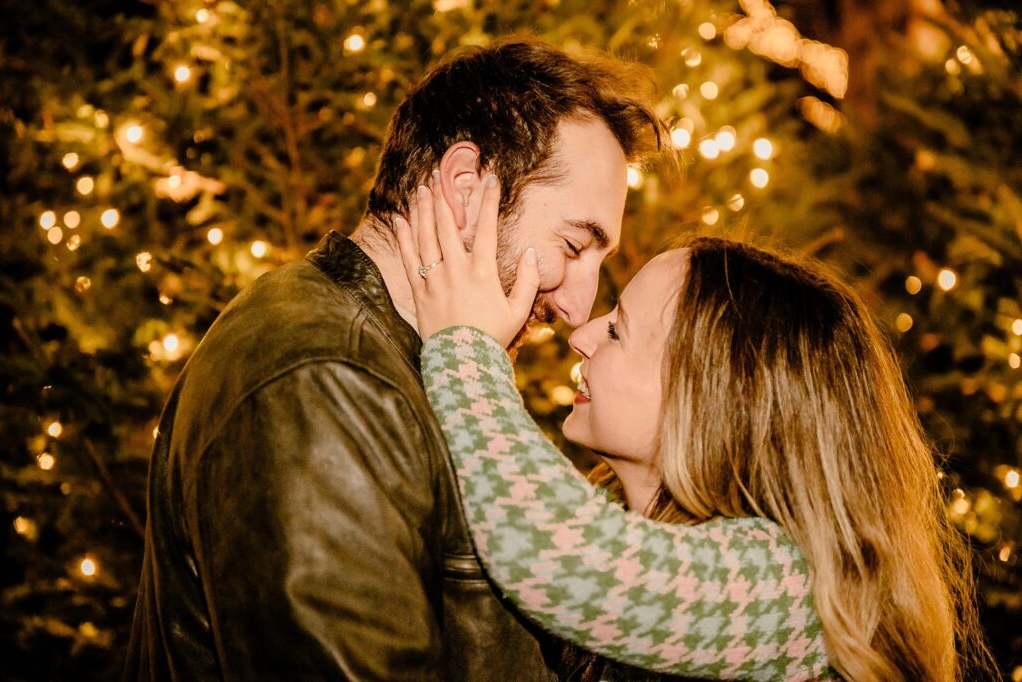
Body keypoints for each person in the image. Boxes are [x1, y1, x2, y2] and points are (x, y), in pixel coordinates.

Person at [124, 37, 663, 680]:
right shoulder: (326, 377)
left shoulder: (404, 368)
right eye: (573, 246)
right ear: (466, 187)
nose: (579, 307)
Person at [393, 175, 996, 681]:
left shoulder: (797, 593)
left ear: (709, 398)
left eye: (618, 330)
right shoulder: (628, 523)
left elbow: (558, 552)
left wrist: (465, 344)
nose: (582, 334)